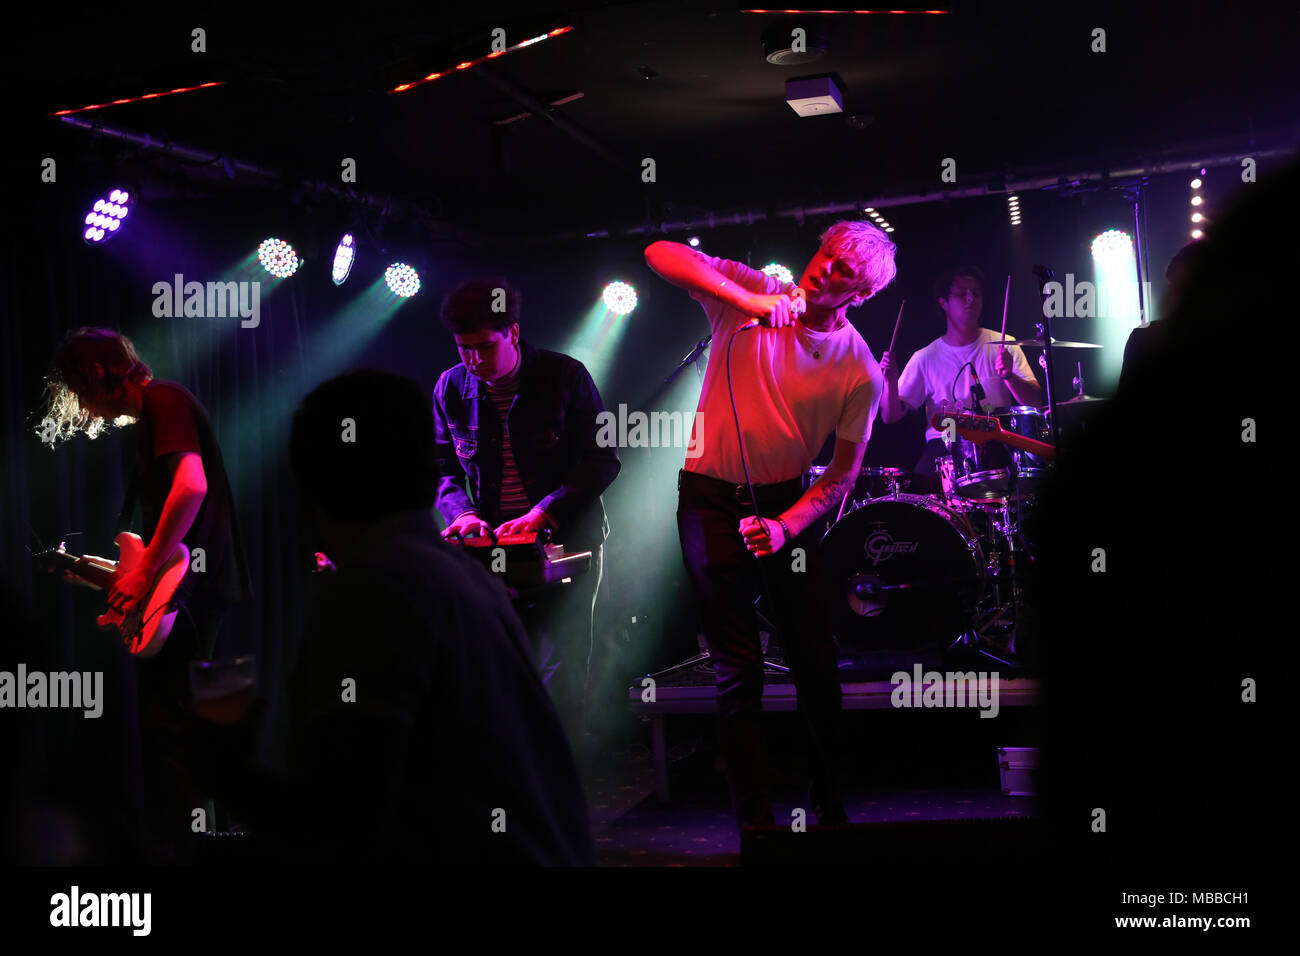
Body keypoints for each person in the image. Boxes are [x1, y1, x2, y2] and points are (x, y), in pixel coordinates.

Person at [188, 370, 596, 865]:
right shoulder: (471, 580)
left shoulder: (373, 590)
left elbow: (339, 831)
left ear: (310, 483)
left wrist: (223, 767)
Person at [643, 220, 896, 829]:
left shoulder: (860, 367)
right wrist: (751, 298)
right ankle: (754, 825)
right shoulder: (750, 295)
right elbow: (660, 252)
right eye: (827, 254)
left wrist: (786, 526)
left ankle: (828, 805)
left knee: (816, 659)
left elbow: (839, 478)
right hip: (708, 500)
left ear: (858, 295)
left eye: (844, 271)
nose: (826, 269)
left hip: (787, 509)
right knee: (739, 668)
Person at [38, 327, 253, 862]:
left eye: (80, 389)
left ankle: (195, 844)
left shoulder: (165, 397)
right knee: (181, 721)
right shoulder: (154, 415)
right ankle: (199, 837)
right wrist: (116, 573)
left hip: (196, 589)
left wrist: (142, 573)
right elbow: (160, 541)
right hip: (189, 585)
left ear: (99, 376)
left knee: (175, 725)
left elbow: (193, 487)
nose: (82, 406)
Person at [432, 278, 620, 752]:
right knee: (496, 661)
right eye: (463, 349)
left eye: (483, 346)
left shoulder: (565, 376)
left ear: (513, 333)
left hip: (567, 541)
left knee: (563, 661)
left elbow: (602, 460)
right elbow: (441, 467)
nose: (473, 360)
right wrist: (463, 514)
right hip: (489, 547)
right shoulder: (450, 387)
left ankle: (562, 779)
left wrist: (543, 512)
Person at [879, 267, 1043, 494]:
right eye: (962, 293)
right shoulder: (925, 357)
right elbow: (890, 415)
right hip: (944, 445)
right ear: (943, 302)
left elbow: (1036, 401)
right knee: (917, 497)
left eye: (976, 293)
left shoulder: (1004, 344)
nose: (970, 299)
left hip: (994, 443)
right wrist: (889, 381)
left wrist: (1009, 376)